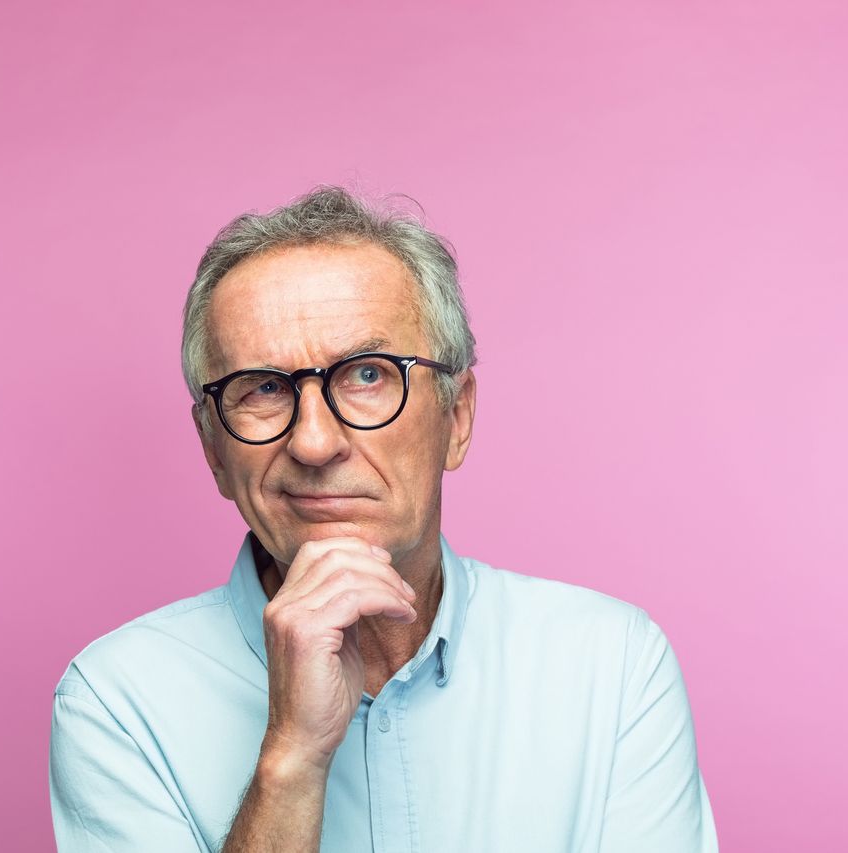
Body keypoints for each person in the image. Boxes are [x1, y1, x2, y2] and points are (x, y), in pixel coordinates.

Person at [49, 186, 719, 852]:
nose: (314, 442)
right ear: (213, 451)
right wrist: (292, 758)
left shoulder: (613, 664)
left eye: (368, 374)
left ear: (456, 417)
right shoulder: (116, 702)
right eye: (262, 387)